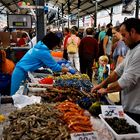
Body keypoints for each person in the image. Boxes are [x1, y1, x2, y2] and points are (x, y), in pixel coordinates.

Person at [91, 18, 140, 124]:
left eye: (124, 35)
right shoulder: (133, 49)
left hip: (137, 109)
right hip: (128, 105)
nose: (121, 39)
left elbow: (126, 81)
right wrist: (101, 85)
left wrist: (106, 90)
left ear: (132, 32)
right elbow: (118, 72)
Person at [11, 32, 76, 96]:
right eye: (56, 45)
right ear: (52, 43)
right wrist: (69, 70)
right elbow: (56, 68)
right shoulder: (43, 52)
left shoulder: (39, 47)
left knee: (20, 95)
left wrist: (53, 63)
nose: (55, 47)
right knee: (15, 97)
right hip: (19, 74)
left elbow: (42, 62)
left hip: (21, 71)